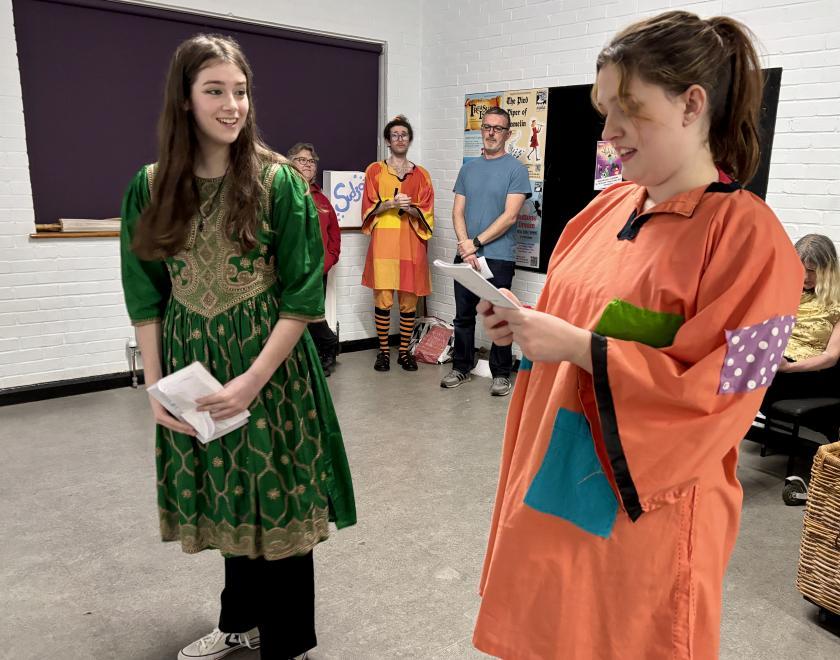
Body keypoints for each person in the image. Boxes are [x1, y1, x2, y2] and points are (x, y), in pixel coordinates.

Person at [472, 11, 802, 659]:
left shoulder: (753, 242)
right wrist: (519, 323)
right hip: (549, 476)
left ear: (692, 105)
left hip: (643, 507)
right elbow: (582, 330)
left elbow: (727, 399)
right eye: (603, 110)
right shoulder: (600, 212)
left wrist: (574, 346)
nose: (610, 131)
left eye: (628, 108)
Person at [119, 34, 355, 660]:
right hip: (196, 366)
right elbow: (144, 293)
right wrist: (155, 385)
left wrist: (251, 380)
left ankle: (288, 643)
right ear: (184, 100)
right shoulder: (151, 186)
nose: (232, 105)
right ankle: (239, 622)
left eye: (241, 91)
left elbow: (304, 296)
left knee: (276, 495)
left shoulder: (277, 182)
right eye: (215, 91)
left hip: (270, 370)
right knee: (228, 491)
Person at [440, 106, 531, 396]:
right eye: (487, 127)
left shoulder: (516, 170)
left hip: (498, 257)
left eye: (498, 128)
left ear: (507, 133)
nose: (492, 132)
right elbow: (457, 212)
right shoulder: (468, 168)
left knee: (498, 316)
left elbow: (510, 216)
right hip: (466, 254)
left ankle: (501, 374)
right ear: (482, 130)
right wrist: (466, 247)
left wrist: (475, 243)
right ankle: (461, 367)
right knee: (463, 317)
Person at [361, 115, 434, 372]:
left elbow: (427, 212)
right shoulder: (375, 170)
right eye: (395, 135)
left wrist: (411, 209)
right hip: (384, 243)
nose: (400, 138)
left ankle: (404, 352)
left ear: (410, 139)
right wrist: (389, 204)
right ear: (388, 141)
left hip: (411, 244)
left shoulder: (422, 175)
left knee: (408, 301)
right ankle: (383, 352)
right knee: (382, 299)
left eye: (404, 134)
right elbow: (368, 207)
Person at [760, 233, 840, 411]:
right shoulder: (783, 293)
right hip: (774, 363)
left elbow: (830, 357)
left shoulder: (837, 304)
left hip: (807, 372)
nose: (805, 277)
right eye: (800, 269)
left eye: (812, 271)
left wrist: (789, 367)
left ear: (828, 270)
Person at [287, 142, 341, 376]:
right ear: (290, 163)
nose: (307, 164)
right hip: (289, 268)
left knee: (312, 314)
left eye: (311, 161)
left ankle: (326, 351)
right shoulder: (284, 194)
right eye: (301, 160)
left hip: (317, 269)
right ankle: (326, 346)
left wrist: (325, 263)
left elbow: (334, 238)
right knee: (294, 314)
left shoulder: (323, 200)